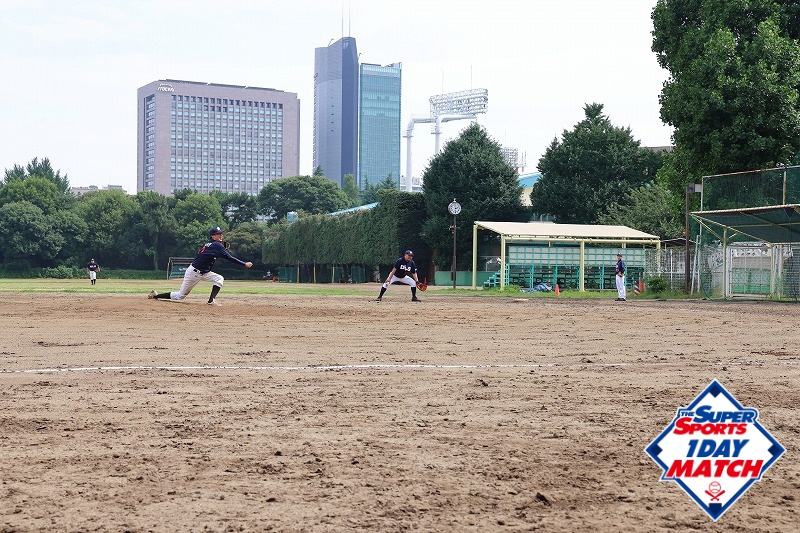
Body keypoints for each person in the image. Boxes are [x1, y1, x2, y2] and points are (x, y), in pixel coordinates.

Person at [148, 226, 253, 305]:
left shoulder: (211, 244)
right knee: (180, 296)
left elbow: (216, 254)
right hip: (194, 273)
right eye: (218, 234)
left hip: (204, 272)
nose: (221, 235)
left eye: (221, 233)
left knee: (219, 279)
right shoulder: (216, 245)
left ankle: (211, 301)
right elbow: (229, 257)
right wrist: (244, 263)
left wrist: (221, 248)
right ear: (212, 236)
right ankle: (156, 295)